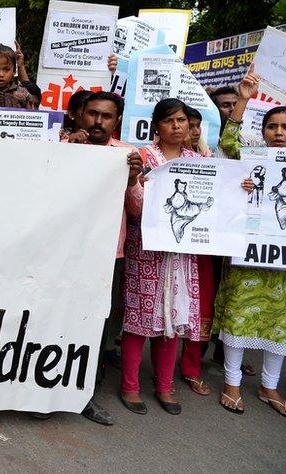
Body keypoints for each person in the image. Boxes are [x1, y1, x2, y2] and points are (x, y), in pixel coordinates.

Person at [64, 91, 144, 426]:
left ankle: (85, 394)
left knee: (95, 325)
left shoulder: (128, 156)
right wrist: (68, 152)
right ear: (79, 114)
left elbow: (139, 211)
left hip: (109, 255)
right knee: (58, 318)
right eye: (92, 114)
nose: (98, 122)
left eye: (106, 116)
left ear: (117, 121)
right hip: (62, 252)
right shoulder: (62, 146)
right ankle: (43, 386)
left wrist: (131, 180)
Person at [119, 98, 203, 416]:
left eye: (181, 120)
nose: (177, 126)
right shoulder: (142, 157)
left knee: (174, 319)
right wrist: (133, 182)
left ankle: (165, 386)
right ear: (157, 125)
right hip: (147, 250)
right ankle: (129, 386)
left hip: (181, 253)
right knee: (140, 319)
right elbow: (136, 207)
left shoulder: (198, 161)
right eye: (169, 121)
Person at [214, 71, 286, 415]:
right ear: (263, 131)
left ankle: (270, 387)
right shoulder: (252, 159)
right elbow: (228, 144)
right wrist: (242, 99)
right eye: (272, 127)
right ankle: (231, 382)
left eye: (285, 127)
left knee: (280, 321)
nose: (279, 133)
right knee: (239, 314)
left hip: (282, 261)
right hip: (248, 253)